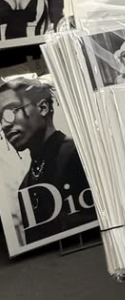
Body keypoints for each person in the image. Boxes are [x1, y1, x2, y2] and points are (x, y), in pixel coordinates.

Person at [0, 77, 96, 247]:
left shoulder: (80, 153)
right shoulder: (25, 185)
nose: (4, 125)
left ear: (43, 107)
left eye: (10, 112)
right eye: (0, 119)